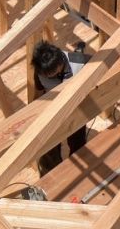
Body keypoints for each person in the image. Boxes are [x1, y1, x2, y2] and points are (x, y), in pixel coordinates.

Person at [32, 40, 90, 175]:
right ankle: (52, 175)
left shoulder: (81, 62)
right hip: (53, 110)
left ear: (59, 64)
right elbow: (39, 89)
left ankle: (77, 171)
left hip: (76, 109)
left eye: (49, 74)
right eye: (44, 74)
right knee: (49, 146)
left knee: (77, 142)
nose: (46, 76)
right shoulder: (41, 69)